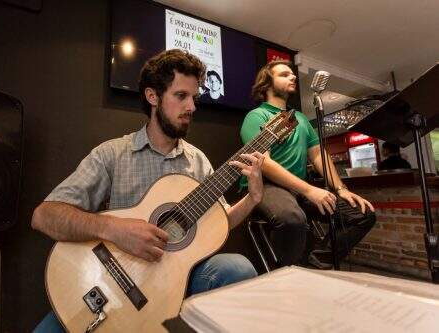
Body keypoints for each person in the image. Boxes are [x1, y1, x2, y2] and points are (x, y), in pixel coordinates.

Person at [32, 49, 265, 332]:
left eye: (194, 97)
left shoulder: (198, 161)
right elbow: (44, 216)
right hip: (105, 279)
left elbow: (219, 221)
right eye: (181, 96)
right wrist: (114, 229)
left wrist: (252, 199)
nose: (192, 107)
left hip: (172, 281)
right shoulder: (113, 154)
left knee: (237, 268)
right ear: (153, 97)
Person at [239, 60, 376, 267]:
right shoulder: (257, 116)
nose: (293, 76)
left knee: (363, 214)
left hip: (299, 189)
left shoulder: (301, 119)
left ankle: (316, 261)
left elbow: (319, 156)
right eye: (284, 75)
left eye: (292, 74)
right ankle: (283, 278)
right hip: (265, 185)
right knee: (292, 218)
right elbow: (263, 162)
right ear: (266, 84)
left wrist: (341, 189)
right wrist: (309, 190)